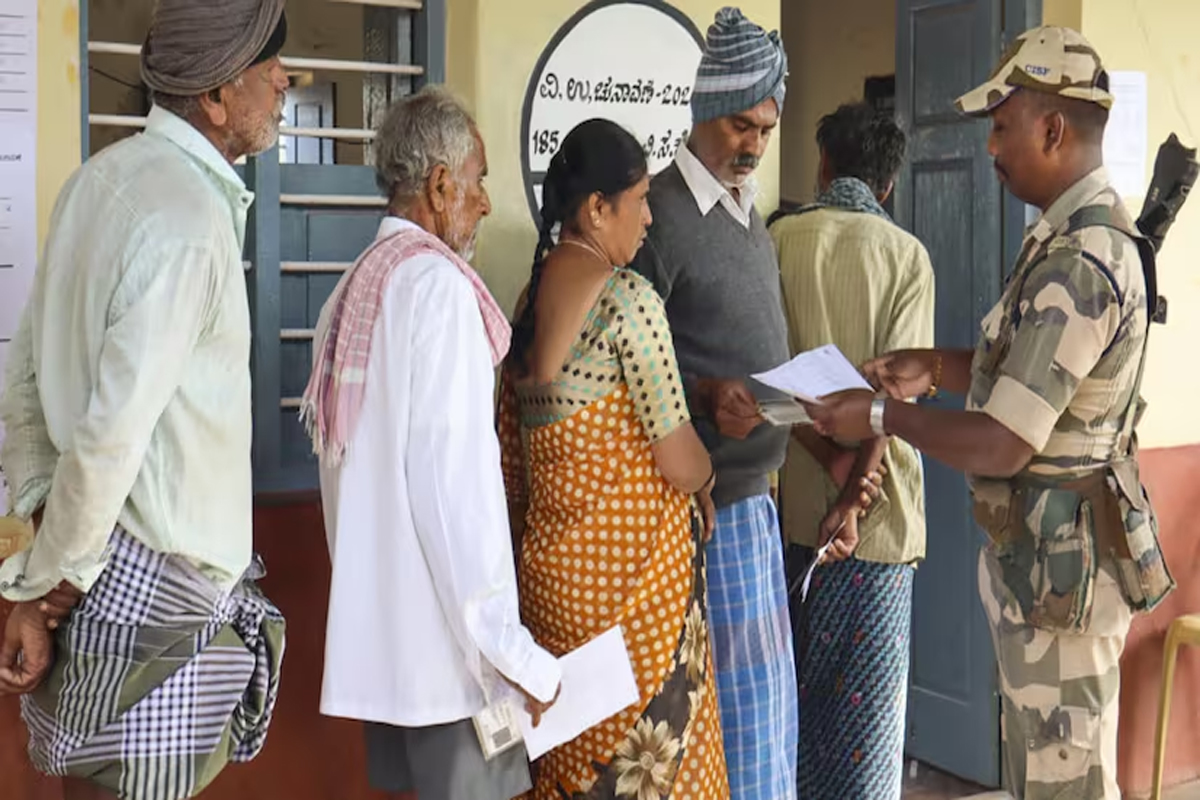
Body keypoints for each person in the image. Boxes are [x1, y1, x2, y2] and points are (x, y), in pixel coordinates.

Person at [803, 27, 1174, 800]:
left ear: (1053, 128)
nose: (991, 148)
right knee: (1042, 774)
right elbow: (1030, 382)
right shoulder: (1067, 241)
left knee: (1063, 784)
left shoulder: (1081, 261)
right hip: (1046, 574)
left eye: (1002, 128)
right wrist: (933, 368)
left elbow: (1005, 439)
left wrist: (876, 415)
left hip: (1061, 584)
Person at [0, 2, 290, 799]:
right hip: (148, 594)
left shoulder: (93, 183)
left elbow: (23, 383)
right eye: (269, 68)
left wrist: (40, 558)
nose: (285, 81)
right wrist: (46, 579)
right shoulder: (190, 221)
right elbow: (109, 439)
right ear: (218, 97)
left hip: (94, 574)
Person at [302, 86, 561, 800]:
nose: (484, 203)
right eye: (477, 182)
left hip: (387, 651)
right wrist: (514, 656)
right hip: (450, 661)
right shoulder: (437, 291)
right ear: (441, 184)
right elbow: (456, 500)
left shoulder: (350, 291)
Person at [499, 118, 728, 800]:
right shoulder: (629, 302)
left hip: (551, 593)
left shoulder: (528, 302)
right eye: (641, 200)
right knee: (660, 769)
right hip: (632, 605)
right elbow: (679, 460)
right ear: (597, 208)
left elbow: (512, 454)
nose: (650, 218)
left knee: (567, 762)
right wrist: (709, 475)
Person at [628, 7, 798, 798]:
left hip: (756, 507)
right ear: (700, 113)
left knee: (764, 719)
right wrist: (703, 393)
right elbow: (627, 360)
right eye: (740, 125)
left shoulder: (746, 212)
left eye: (765, 126)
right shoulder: (655, 215)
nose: (754, 143)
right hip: (702, 513)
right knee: (727, 723)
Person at [769, 102, 934, 800]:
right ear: (887, 185)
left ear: (824, 165)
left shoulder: (776, 240)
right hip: (878, 530)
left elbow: (766, 377)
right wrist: (858, 493)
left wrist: (830, 475)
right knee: (865, 738)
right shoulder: (904, 256)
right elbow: (895, 400)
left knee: (794, 717)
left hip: (793, 516)